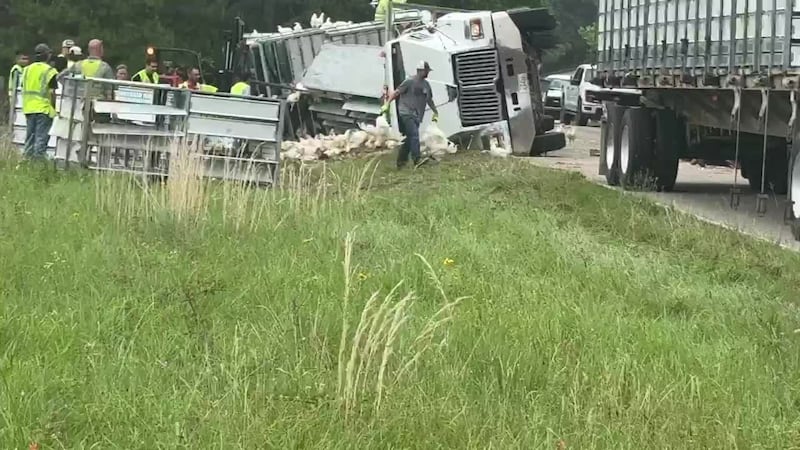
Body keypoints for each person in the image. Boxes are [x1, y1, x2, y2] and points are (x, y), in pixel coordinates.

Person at [383, 60, 439, 169]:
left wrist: (435, 111)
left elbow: (429, 100)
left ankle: (401, 161)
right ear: (420, 71)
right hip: (406, 112)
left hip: (417, 115)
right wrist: (387, 104)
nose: (428, 73)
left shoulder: (426, 85)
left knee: (410, 138)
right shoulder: (409, 81)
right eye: (426, 71)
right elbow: (396, 93)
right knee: (414, 134)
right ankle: (417, 159)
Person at [20, 43, 59, 159]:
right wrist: (55, 108)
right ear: (47, 55)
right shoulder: (49, 71)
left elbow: (23, 86)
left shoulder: (27, 70)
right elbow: (52, 93)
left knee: (30, 140)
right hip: (43, 109)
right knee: (40, 142)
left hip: (28, 108)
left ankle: (27, 164)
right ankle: (38, 167)